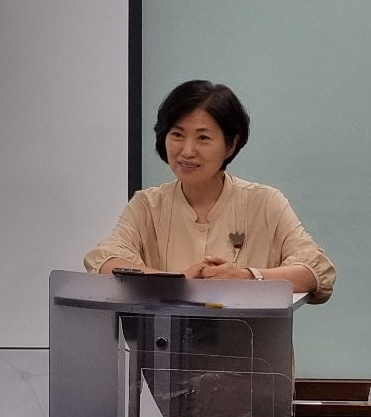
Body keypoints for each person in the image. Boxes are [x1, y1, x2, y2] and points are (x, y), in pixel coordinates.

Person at [84, 80, 335, 303]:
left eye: (203, 138)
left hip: (251, 341)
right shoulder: (147, 205)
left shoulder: (265, 202)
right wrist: (177, 282)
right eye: (177, 134)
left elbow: (315, 270)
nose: (187, 151)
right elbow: (104, 261)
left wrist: (248, 278)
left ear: (231, 144)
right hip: (164, 341)